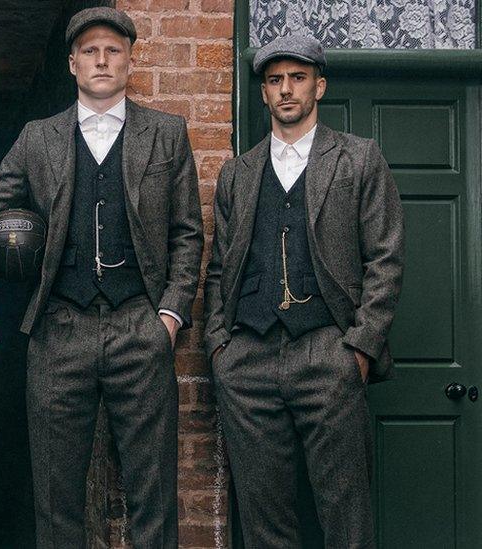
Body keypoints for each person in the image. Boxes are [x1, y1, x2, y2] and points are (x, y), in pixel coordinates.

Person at [0, 7, 204, 547]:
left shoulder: (166, 133)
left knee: (152, 494)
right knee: (57, 498)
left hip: (141, 324)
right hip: (59, 330)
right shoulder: (39, 137)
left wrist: (170, 317)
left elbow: (187, 233)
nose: (102, 60)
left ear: (131, 61)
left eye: (113, 50)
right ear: (72, 63)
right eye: (91, 51)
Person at [203, 35, 404, 548]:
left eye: (297, 78)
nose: (286, 90)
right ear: (264, 93)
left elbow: (385, 260)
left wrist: (359, 347)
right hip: (247, 357)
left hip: (327, 352)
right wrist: (220, 345)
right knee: (264, 520)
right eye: (274, 81)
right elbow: (222, 268)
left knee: (346, 516)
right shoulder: (239, 173)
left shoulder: (359, 159)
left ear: (320, 84)